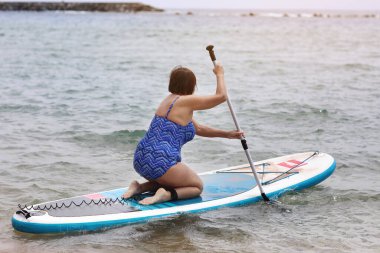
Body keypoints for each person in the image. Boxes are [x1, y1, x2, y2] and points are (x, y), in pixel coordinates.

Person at [122, 62, 243, 205]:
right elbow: (221, 96)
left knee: (172, 181)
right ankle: (166, 195)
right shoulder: (185, 101)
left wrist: (228, 134)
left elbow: (199, 129)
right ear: (191, 85)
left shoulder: (169, 101)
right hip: (161, 162)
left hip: (141, 159)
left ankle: (139, 187)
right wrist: (220, 74)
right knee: (197, 186)